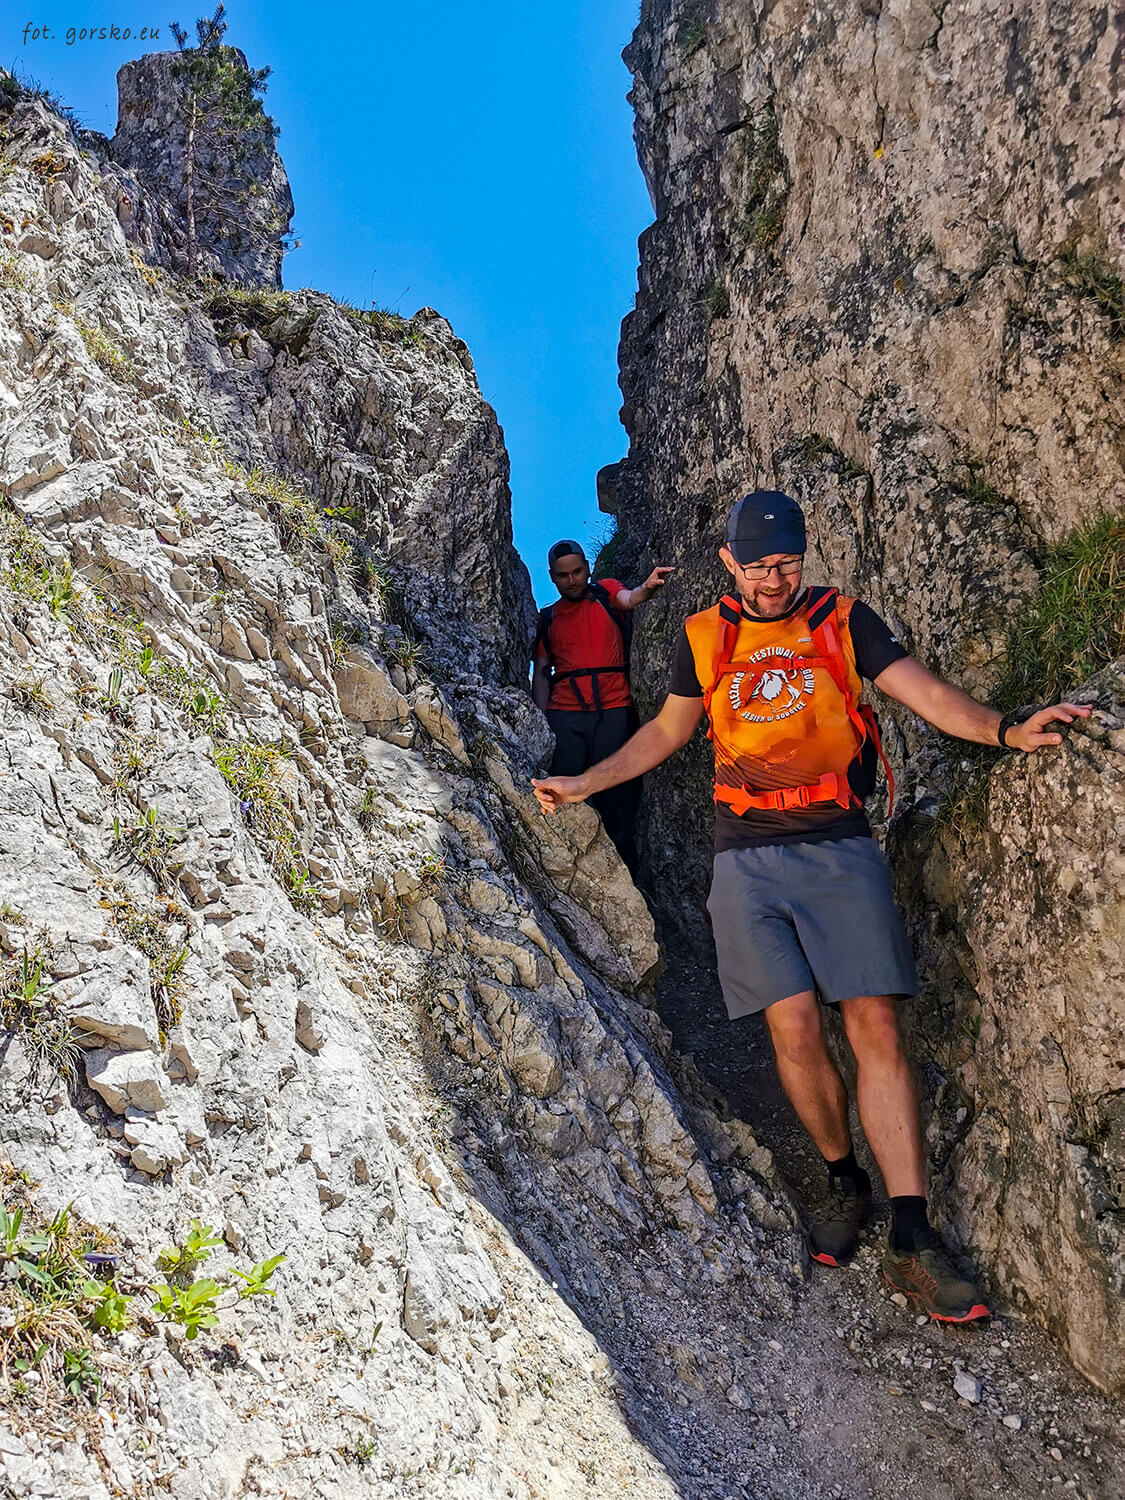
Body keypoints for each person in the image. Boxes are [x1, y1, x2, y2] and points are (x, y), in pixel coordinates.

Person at [531, 491, 1090, 1322]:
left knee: (872, 1023)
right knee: (790, 1027)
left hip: (837, 844)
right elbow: (664, 734)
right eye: (756, 566)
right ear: (729, 563)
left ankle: (912, 1235)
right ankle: (841, 1179)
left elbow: (927, 697)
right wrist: (585, 780)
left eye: (785, 563)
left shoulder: (843, 620)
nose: (772, 579)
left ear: (803, 555)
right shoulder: (705, 637)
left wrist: (1005, 729)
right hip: (744, 857)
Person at [532, 540, 674, 874]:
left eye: (577, 571)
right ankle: (566, 869)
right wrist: (539, 720)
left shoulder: (607, 593)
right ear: (552, 578)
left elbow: (631, 598)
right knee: (562, 794)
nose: (572, 580)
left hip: (614, 710)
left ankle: (626, 875)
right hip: (564, 715)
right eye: (564, 575)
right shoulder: (549, 619)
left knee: (617, 799)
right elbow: (541, 672)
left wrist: (648, 587)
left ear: (588, 568)